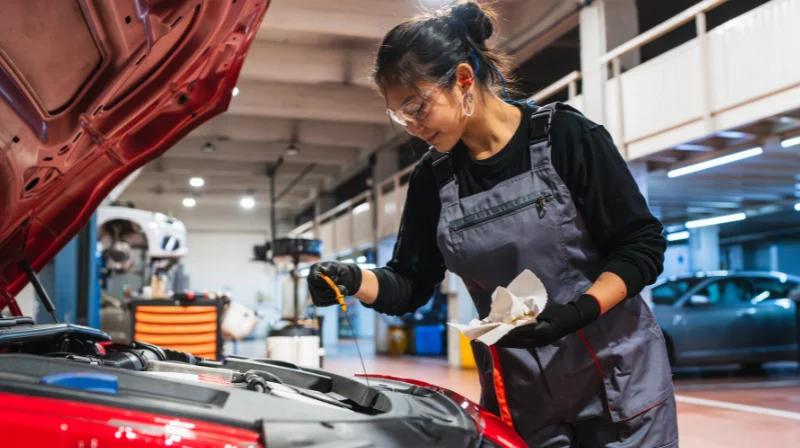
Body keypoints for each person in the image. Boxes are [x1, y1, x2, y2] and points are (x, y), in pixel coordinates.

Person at [306, 1, 678, 446]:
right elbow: (410, 283)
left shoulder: (566, 137)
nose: (412, 128)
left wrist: (578, 311)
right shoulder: (432, 179)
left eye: (417, 107)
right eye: (400, 116)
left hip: (617, 378)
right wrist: (352, 279)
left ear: (463, 79)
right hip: (522, 393)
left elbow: (640, 245)